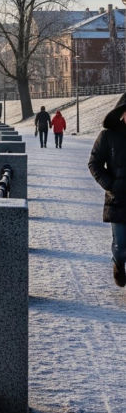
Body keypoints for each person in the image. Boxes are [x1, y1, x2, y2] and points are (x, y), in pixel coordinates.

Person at [88, 94, 126, 286]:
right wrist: (110, 185)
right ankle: (119, 263)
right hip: (118, 200)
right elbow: (94, 163)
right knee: (120, 247)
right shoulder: (108, 136)